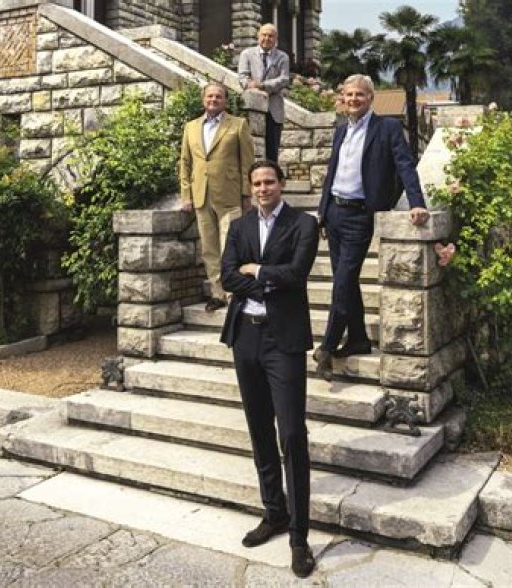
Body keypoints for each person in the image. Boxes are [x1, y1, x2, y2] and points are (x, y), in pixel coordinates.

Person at [220, 160, 319, 578]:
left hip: (284, 341)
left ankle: (299, 538)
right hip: (246, 337)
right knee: (259, 429)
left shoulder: (303, 224)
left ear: (281, 184)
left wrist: (257, 270)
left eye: (270, 182)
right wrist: (267, 282)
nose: (263, 188)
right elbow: (228, 277)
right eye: (257, 183)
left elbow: (297, 274)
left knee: (292, 434)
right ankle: (274, 512)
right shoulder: (239, 227)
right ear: (251, 188)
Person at [313, 74, 430, 381]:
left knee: (343, 280)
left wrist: (416, 202)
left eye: (359, 95)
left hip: (360, 216)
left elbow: (405, 165)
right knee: (346, 281)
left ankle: (326, 347)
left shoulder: (386, 128)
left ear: (370, 98)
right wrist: (323, 213)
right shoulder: (341, 130)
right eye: (349, 94)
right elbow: (332, 173)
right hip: (335, 213)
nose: (353, 100)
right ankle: (358, 339)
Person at [180, 82, 255, 312]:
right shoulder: (191, 127)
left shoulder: (238, 125)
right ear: (203, 100)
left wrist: (247, 194)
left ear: (225, 101)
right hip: (201, 195)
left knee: (229, 246)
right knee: (209, 248)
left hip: (230, 195)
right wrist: (186, 195)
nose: (213, 100)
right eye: (210, 96)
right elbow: (185, 163)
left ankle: (233, 293)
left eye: (218, 96)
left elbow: (247, 162)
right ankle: (218, 293)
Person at [238, 23, 290, 162]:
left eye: (271, 36)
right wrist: (249, 85)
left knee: (272, 153)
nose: (267, 38)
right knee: (251, 150)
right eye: (264, 35)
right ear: (258, 36)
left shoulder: (282, 57)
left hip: (274, 110)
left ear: (276, 38)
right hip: (252, 107)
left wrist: (261, 85)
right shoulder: (247, 54)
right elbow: (243, 77)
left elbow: (284, 79)